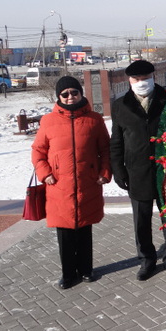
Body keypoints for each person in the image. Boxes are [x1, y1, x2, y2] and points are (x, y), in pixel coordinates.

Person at [31, 76, 111, 289]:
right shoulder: (48, 121)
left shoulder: (95, 119)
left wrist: (104, 172)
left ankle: (86, 270)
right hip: (59, 185)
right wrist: (45, 173)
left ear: (80, 93)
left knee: (84, 228)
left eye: (74, 92)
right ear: (58, 96)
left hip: (87, 182)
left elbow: (105, 149)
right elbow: (38, 151)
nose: (70, 97)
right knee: (65, 232)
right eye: (64, 94)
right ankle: (68, 274)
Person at [110, 60, 166, 280]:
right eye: (137, 79)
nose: (142, 82)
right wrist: (118, 170)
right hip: (136, 171)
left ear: (153, 77)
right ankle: (146, 260)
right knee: (141, 222)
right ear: (129, 80)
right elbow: (116, 141)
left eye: (146, 78)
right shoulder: (121, 105)